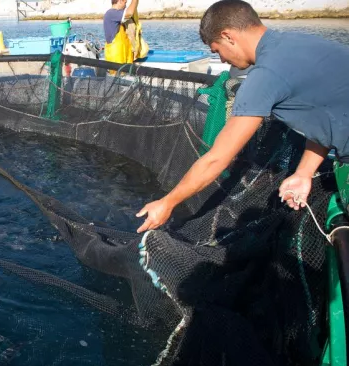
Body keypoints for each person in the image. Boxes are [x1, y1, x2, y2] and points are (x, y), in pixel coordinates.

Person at [136, 0, 349, 234]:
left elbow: (217, 159)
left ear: (228, 36)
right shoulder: (303, 43)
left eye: (217, 51)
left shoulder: (264, 76)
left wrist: (167, 203)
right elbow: (325, 114)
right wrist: (303, 173)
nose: (223, 61)